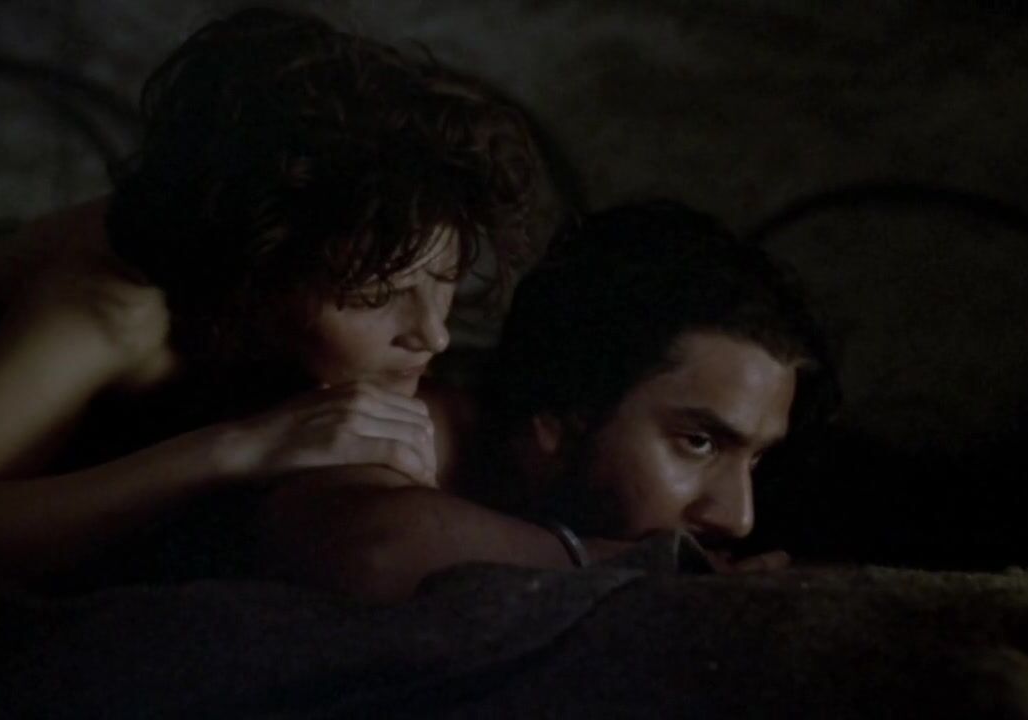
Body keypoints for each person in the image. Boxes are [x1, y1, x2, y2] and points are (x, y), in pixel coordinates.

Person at [0, 7, 548, 589]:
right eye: (379, 295)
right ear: (259, 281)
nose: (433, 333)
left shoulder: (321, 305)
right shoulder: (111, 310)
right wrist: (236, 448)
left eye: (445, 276)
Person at [256, 200, 838, 603]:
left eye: (756, 458)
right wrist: (641, 563)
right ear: (558, 418)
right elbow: (375, 550)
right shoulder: (400, 424)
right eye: (699, 442)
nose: (738, 517)